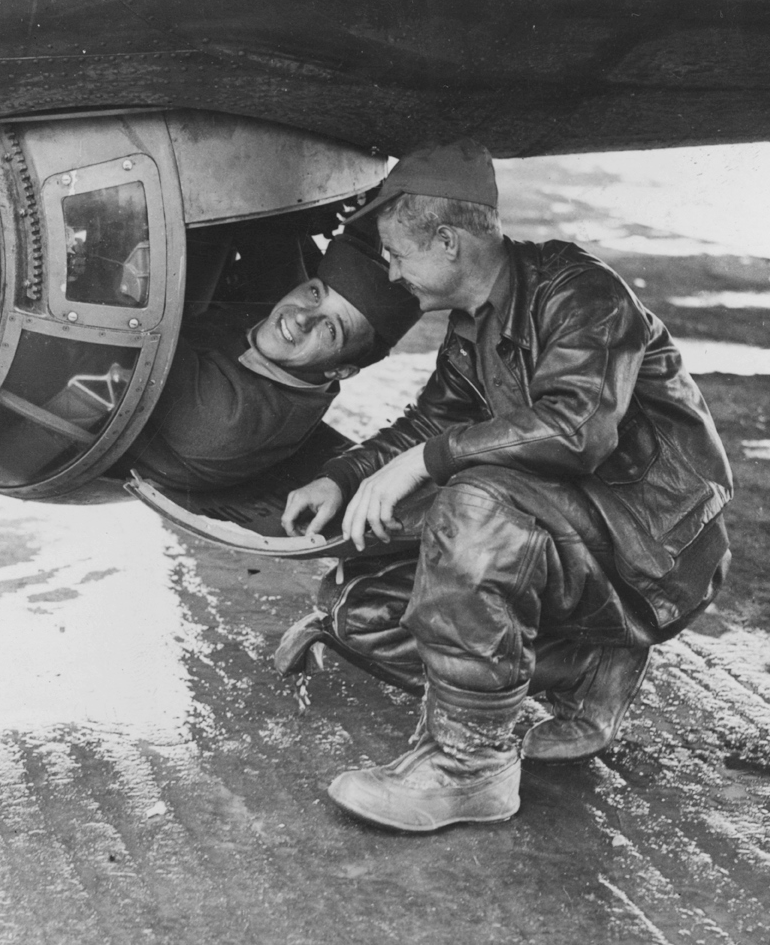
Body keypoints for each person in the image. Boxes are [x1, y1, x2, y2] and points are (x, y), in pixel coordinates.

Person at [279, 139, 733, 832]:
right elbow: (432, 421)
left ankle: (471, 768)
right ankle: (586, 666)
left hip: (650, 549)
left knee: (472, 506)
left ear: (448, 242)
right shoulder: (476, 323)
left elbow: (577, 429)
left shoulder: (583, 295)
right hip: (577, 538)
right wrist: (342, 479)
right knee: (366, 614)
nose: (394, 275)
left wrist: (427, 462)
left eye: (398, 255)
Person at [127, 230, 422, 491]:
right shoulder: (299, 341)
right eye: (316, 292)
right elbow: (270, 239)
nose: (303, 316)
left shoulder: (229, 416)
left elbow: (130, 326)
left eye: (330, 329)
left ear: (340, 371)